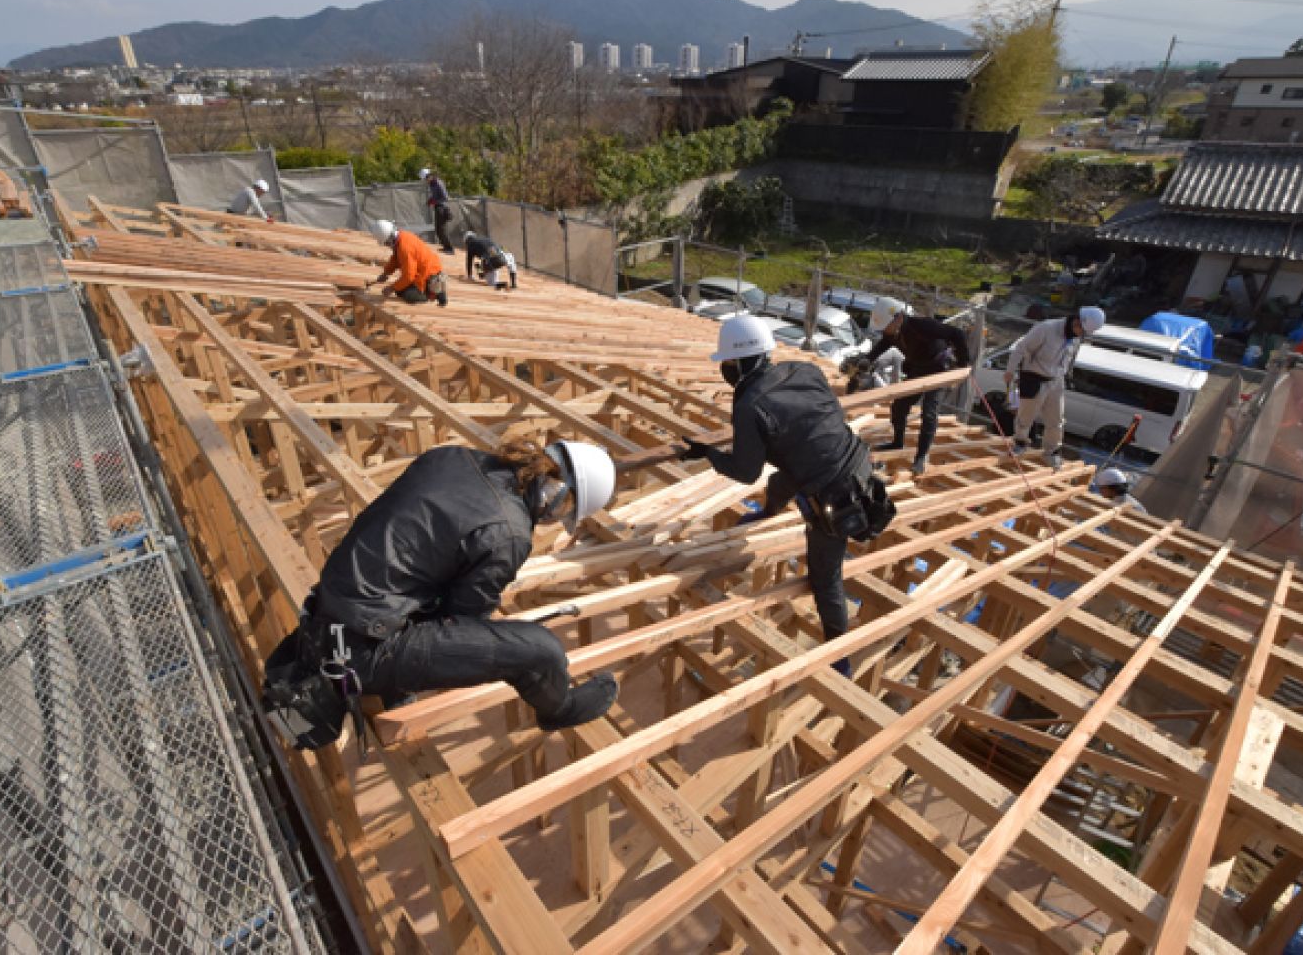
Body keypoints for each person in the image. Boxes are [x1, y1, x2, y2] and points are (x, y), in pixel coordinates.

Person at [261, 438, 622, 750]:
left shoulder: (453, 456)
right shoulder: (510, 532)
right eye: (566, 509)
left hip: (329, 609)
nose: (555, 518)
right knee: (540, 651)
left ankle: (395, 686)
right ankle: (560, 709)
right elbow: (464, 619)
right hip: (361, 649)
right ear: (556, 495)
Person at [682, 315, 895, 678]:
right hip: (858, 459)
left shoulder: (750, 404)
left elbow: (746, 471)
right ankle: (768, 511)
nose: (727, 370)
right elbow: (821, 420)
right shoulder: (802, 369)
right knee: (784, 480)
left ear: (742, 361)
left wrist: (709, 455)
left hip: (836, 496)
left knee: (825, 578)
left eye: (729, 363)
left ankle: (838, 656)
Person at [862, 298, 971, 477]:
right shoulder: (893, 333)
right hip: (918, 369)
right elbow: (883, 344)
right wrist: (868, 358)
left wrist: (963, 363)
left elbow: (957, 334)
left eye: (886, 326)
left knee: (929, 412)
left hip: (938, 368)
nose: (885, 331)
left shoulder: (923, 325)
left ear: (897, 318)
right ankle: (897, 442)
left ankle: (921, 457)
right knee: (899, 405)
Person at [1005, 307, 1105, 469]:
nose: (1081, 335)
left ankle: (1051, 451)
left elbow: (1070, 358)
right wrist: (1010, 370)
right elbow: (1021, 348)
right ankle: (1020, 443)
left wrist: (1067, 375)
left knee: (1056, 420)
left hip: (1056, 381)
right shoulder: (1046, 328)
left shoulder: (1075, 337)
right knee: (1026, 416)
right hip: (1034, 377)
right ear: (1077, 321)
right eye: (1082, 331)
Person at [367, 219, 449, 306]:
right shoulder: (402, 237)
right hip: (427, 271)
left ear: (388, 239)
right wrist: (386, 273)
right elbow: (395, 259)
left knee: (407, 294)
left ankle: (430, 294)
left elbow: (409, 276)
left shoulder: (405, 248)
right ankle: (436, 291)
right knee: (400, 289)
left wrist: (391, 288)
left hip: (429, 276)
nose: (386, 245)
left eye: (386, 243)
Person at [421, 167, 455, 254]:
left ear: (429, 176)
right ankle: (445, 247)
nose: (425, 181)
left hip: (442, 208)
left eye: (425, 179)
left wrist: (434, 201)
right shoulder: (432, 184)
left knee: (442, 229)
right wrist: (430, 200)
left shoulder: (438, 183)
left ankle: (450, 249)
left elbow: (445, 197)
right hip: (438, 207)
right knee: (438, 229)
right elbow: (436, 196)